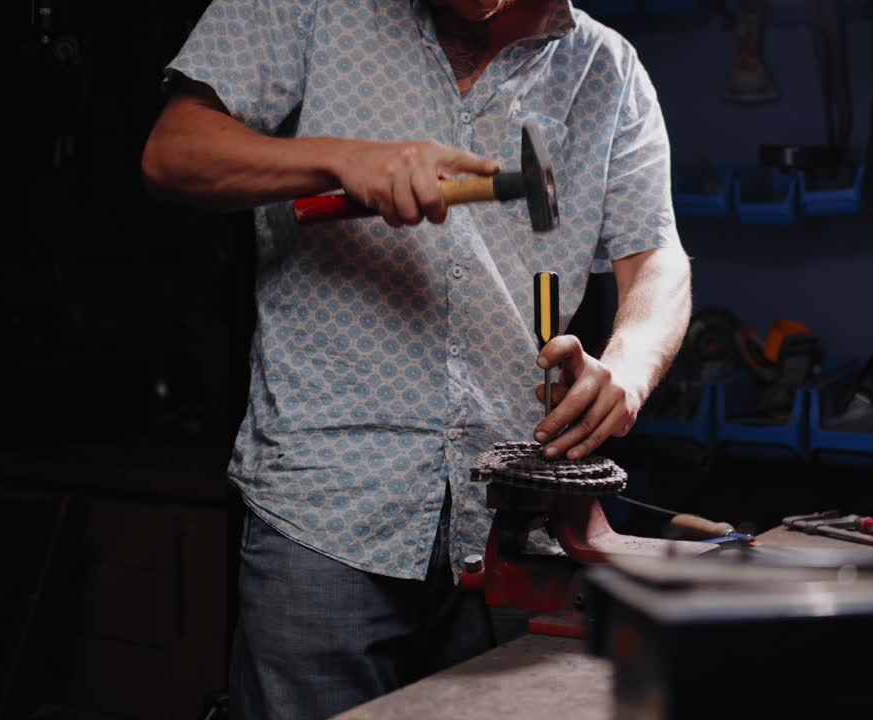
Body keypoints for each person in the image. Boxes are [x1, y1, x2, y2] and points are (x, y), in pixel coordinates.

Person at [141, 0, 691, 716]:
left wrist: (630, 367)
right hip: (325, 515)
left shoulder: (606, 68)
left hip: (510, 517)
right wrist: (342, 157)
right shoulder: (303, 8)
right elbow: (175, 153)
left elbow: (657, 256)